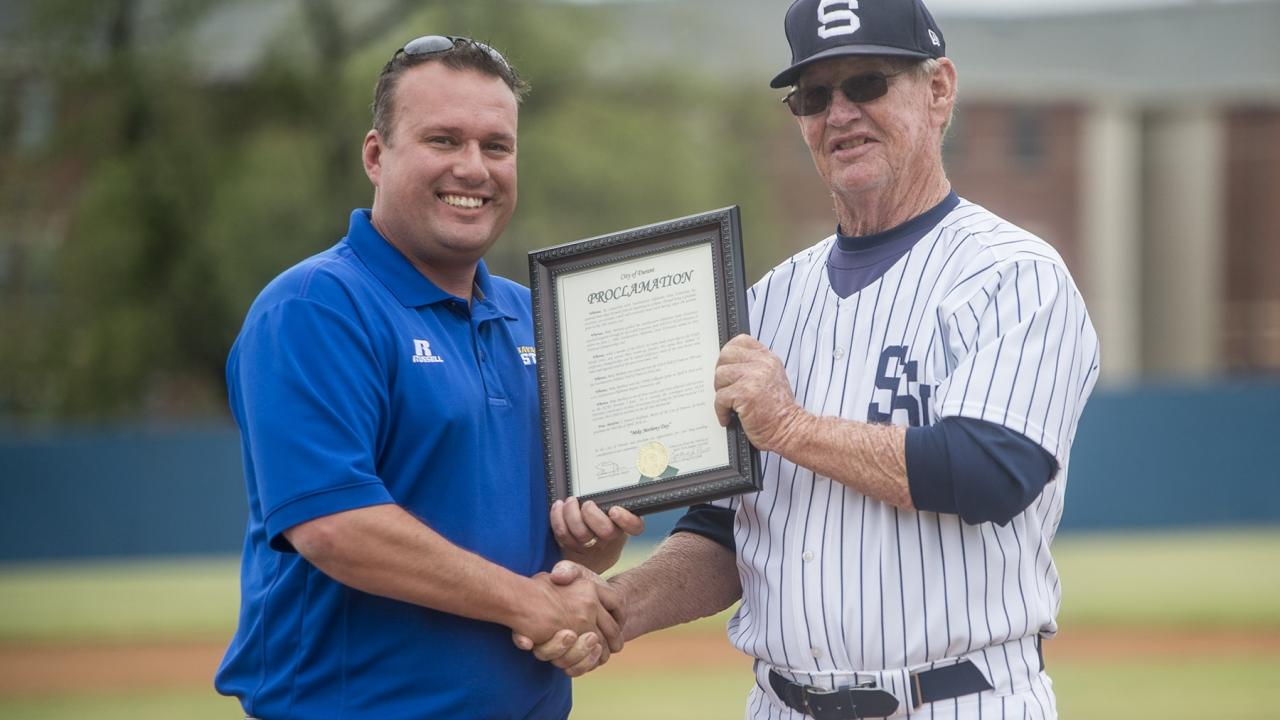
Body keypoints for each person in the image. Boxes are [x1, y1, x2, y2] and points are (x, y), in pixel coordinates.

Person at [533, 1, 1100, 717]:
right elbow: (725, 530)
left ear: (939, 89)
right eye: (813, 96)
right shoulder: (765, 302)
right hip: (781, 702)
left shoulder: (1013, 274)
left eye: (866, 83)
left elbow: (992, 470)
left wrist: (791, 428)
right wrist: (617, 606)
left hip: (957, 698)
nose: (839, 114)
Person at [214, 35, 640, 719]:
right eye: (443, 140)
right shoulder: (314, 308)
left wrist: (591, 544)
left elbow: (559, 548)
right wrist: (528, 602)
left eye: (497, 146)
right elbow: (336, 527)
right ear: (376, 155)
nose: (473, 168)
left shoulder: (536, 316)